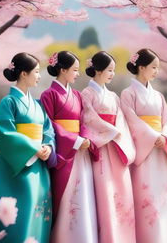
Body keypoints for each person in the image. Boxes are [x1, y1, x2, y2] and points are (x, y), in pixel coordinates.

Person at [120, 48, 167, 243]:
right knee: (147, 194)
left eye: (157, 68)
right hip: (145, 152)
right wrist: (153, 137)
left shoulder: (158, 96)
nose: (156, 71)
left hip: (160, 150)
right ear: (141, 67)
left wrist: (165, 136)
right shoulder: (128, 94)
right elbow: (130, 122)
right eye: (154, 67)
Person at [0, 52, 56, 243]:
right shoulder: (9, 102)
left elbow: (48, 129)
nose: (39, 76)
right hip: (17, 165)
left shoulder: (37, 104)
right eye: (36, 72)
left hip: (38, 164)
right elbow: (4, 133)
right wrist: (33, 148)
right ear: (23, 74)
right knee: (21, 208)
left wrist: (47, 147)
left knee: (39, 207)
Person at [40, 51, 98, 243]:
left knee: (84, 192)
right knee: (66, 195)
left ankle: (84, 236)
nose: (78, 74)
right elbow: (48, 123)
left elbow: (84, 121)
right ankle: (63, 237)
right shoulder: (48, 94)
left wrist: (86, 138)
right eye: (74, 70)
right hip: (65, 150)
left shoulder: (77, 95)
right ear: (63, 70)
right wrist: (74, 140)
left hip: (80, 148)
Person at [81, 51, 136, 243]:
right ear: (97, 70)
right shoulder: (86, 94)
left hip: (116, 146)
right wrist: (111, 132)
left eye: (113, 70)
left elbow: (121, 120)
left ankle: (123, 237)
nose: (112, 74)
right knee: (104, 192)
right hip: (101, 148)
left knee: (121, 191)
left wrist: (117, 133)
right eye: (109, 70)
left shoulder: (113, 96)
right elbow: (88, 119)